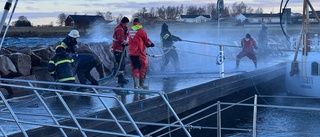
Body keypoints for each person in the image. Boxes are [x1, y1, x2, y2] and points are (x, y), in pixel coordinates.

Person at [127, 18, 155, 89]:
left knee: (135, 68)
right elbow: (146, 40)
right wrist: (150, 44)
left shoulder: (130, 31)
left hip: (132, 53)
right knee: (143, 67)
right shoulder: (141, 31)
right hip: (139, 53)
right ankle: (141, 84)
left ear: (133, 23)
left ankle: (136, 85)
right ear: (139, 23)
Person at [111, 17, 130, 86]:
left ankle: (122, 78)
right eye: (127, 23)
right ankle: (120, 79)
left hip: (120, 49)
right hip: (118, 49)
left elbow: (125, 37)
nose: (128, 24)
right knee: (120, 65)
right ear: (125, 23)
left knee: (122, 65)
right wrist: (128, 43)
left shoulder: (122, 28)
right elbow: (121, 40)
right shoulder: (119, 29)